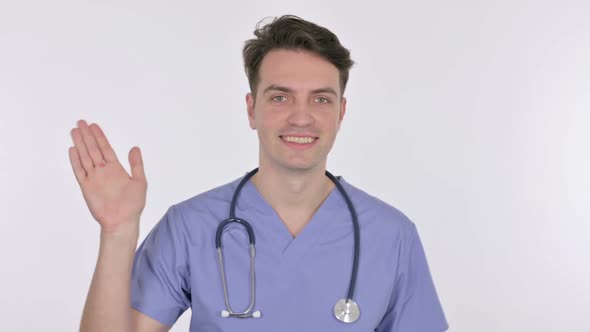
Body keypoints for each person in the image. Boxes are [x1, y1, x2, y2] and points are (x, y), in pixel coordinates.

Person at [70, 15, 448, 332]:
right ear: (252, 110)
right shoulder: (190, 227)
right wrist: (117, 233)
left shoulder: (391, 236)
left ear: (341, 113)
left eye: (320, 99)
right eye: (280, 97)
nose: (301, 116)